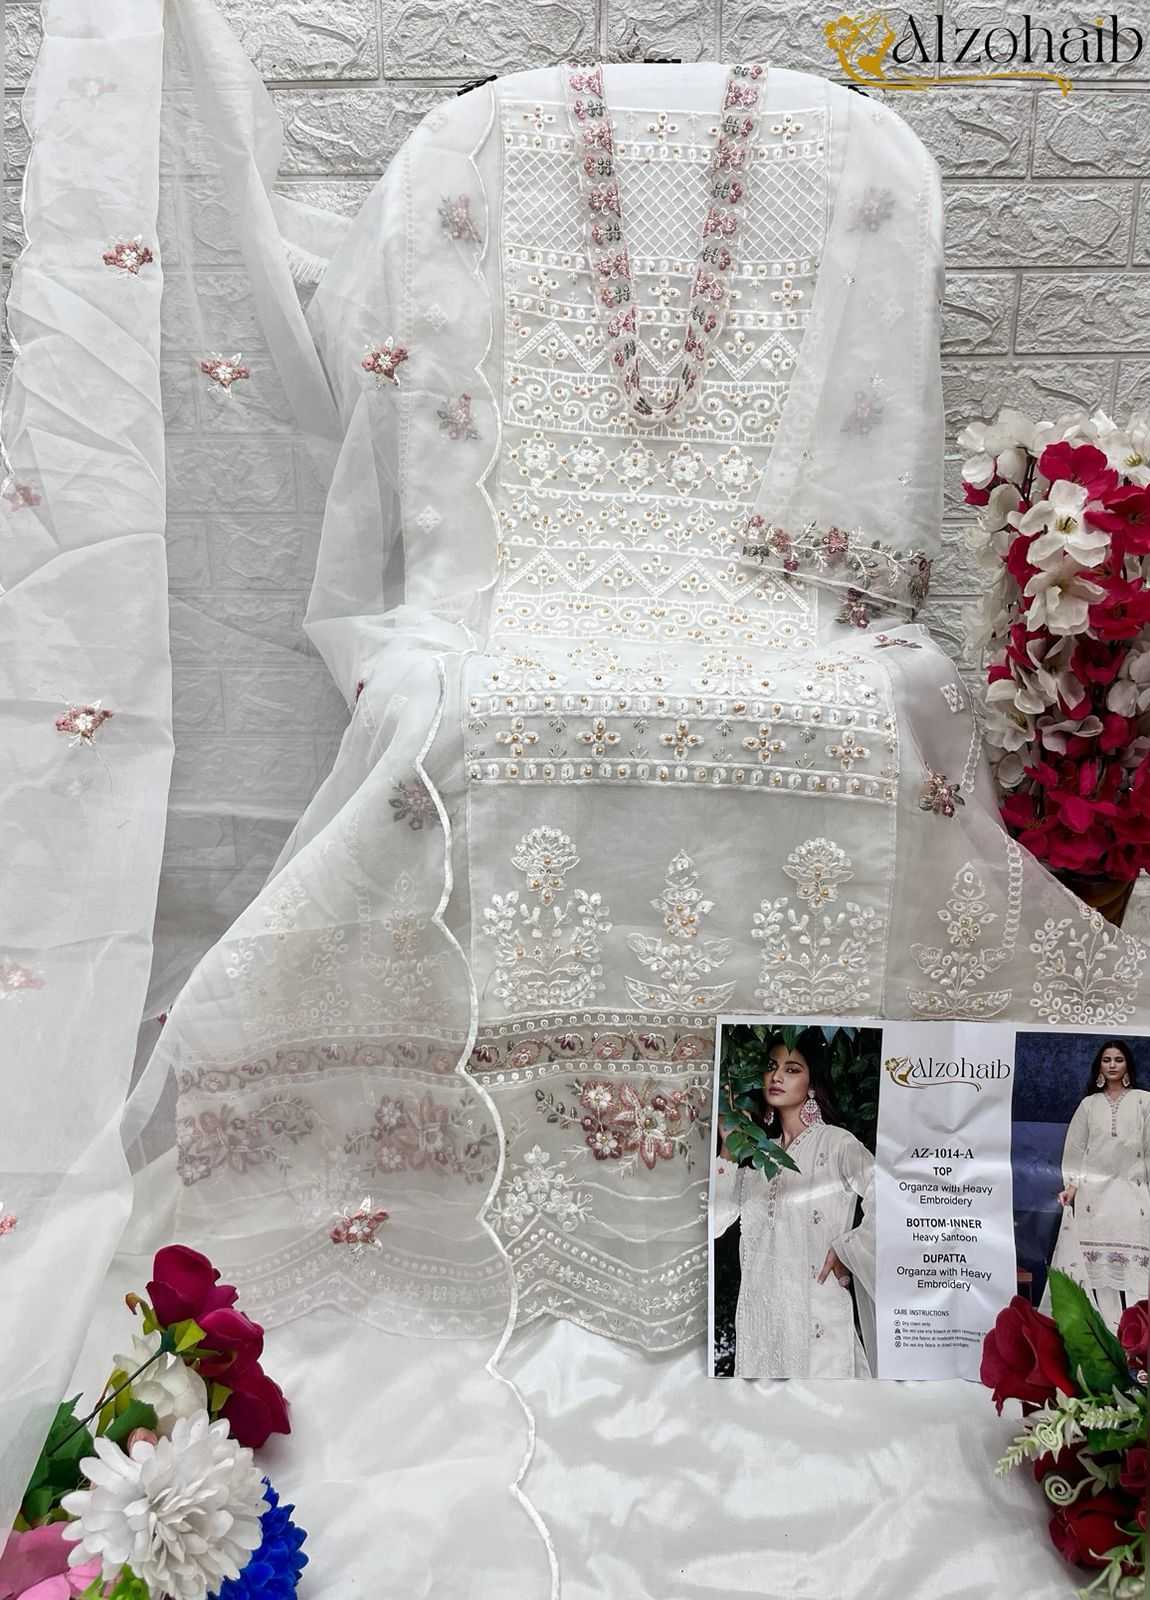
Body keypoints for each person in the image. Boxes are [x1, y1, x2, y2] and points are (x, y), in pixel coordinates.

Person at [712, 1030, 875, 1378]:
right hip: (762, 1328)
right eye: (771, 1067)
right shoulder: (757, 1157)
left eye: (792, 1069)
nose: (777, 1076)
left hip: (818, 1323)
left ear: (811, 1084)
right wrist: (729, 1147)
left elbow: (890, 1197)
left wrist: (849, 1248)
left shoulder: (836, 1143)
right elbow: (714, 1223)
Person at [1045, 1039, 1150, 1329]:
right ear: (1099, 1067)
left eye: (1118, 1059)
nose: (1112, 1065)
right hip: (1095, 1199)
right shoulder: (1089, 1105)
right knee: (1099, 1275)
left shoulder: (1144, 1101)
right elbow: (1076, 1150)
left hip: (1133, 1195)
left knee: (1138, 1269)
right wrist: (1071, 1187)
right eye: (1107, 1060)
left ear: (1127, 1064)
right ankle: (1111, 1335)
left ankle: (1140, 1339)